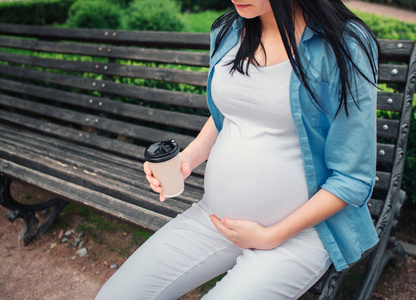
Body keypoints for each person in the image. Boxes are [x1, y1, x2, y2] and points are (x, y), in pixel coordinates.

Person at [96, 0, 380, 299]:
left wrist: (272, 235)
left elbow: (352, 177)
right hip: (215, 218)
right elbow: (231, 111)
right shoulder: (229, 29)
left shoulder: (344, 44)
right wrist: (188, 158)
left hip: (299, 236)